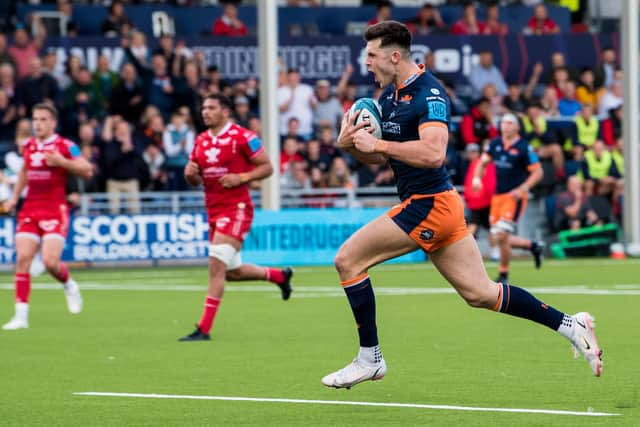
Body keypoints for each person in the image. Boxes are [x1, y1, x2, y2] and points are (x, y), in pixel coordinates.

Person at [321, 22, 602, 389]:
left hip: (430, 204)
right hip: (439, 206)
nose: (367, 64)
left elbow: (434, 153)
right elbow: (384, 159)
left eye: (371, 56)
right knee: (481, 294)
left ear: (394, 56)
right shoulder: (388, 98)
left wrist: (380, 146)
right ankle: (571, 324)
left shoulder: (430, 92)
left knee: (347, 260)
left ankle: (369, 358)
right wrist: (351, 145)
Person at [179, 94, 293, 341]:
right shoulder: (200, 141)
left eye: (211, 107)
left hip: (237, 208)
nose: (205, 112)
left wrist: (240, 178)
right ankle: (279, 276)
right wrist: (190, 175)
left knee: (215, 265)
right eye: (203, 108)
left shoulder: (243, 137)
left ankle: (203, 329)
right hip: (213, 210)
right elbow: (196, 177)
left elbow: (267, 167)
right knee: (231, 272)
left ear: (225, 112)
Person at [2, 103, 93, 330]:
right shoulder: (29, 146)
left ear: (53, 123)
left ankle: (69, 284)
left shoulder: (66, 145)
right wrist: (14, 198)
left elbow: (86, 168)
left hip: (55, 208)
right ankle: (21, 316)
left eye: (43, 119)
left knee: (50, 262)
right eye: (35, 119)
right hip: (31, 207)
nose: (38, 124)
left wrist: (62, 162)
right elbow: (24, 172)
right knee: (22, 259)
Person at [472, 114, 545, 284]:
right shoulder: (495, 144)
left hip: (514, 197)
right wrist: (477, 179)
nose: (507, 126)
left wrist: (523, 188)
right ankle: (533, 246)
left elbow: (538, 172)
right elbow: (482, 163)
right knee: (499, 237)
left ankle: (503, 275)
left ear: (517, 127)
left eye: (511, 123)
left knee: (501, 235)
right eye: (504, 122)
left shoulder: (524, 147)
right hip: (498, 197)